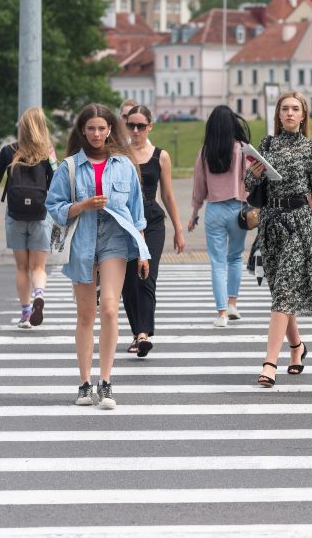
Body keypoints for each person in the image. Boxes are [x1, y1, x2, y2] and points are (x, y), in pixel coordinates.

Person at [45, 104, 150, 409]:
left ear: (110, 130)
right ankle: (84, 383)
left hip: (115, 241)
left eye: (101, 128)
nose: (96, 134)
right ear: (82, 131)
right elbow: (54, 207)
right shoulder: (69, 167)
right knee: (86, 315)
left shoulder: (124, 165)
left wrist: (142, 252)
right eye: (90, 128)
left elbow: (136, 213)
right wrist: (83, 205)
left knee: (109, 310)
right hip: (81, 242)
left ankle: (105, 383)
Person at [246, 92, 312, 388]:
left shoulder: (311, 148)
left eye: (294, 109)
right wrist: (253, 173)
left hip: (299, 223)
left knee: (284, 292)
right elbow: (250, 187)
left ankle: (269, 364)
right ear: (278, 114)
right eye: (284, 108)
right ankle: (297, 347)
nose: (289, 113)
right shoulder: (267, 145)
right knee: (280, 294)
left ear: (303, 116)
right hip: (271, 225)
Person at [121, 105, 185, 356]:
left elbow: (167, 195)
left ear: (150, 126)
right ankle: (137, 332)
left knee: (147, 275)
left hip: (153, 221)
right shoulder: (120, 154)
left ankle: (144, 334)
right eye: (131, 125)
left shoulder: (161, 156)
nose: (135, 130)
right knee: (128, 282)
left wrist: (178, 229)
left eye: (140, 126)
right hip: (125, 222)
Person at [0, 107, 56, 329]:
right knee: (38, 267)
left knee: (21, 268)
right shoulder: (48, 152)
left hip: (15, 214)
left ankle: (26, 313)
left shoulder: (8, 151)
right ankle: (40, 294)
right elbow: (56, 183)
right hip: (40, 214)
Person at [189, 105, 251, 327]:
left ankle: (222, 314)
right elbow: (251, 181)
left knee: (217, 263)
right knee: (235, 257)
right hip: (238, 210)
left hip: (214, 210)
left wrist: (194, 212)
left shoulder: (205, 151)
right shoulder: (243, 149)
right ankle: (233, 304)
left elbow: (199, 186)